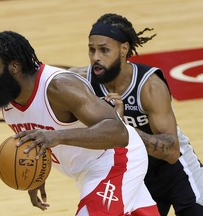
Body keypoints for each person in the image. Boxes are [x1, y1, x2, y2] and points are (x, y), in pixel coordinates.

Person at [0, 31, 160, 215]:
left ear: (14, 67)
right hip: (84, 170)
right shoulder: (8, 93)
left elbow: (118, 132)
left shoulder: (59, 86)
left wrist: (55, 137)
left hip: (117, 159)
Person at [69, 13, 203, 216]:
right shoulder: (80, 82)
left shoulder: (149, 86)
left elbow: (172, 151)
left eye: (104, 50)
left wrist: (122, 127)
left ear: (123, 49)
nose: (96, 57)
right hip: (135, 174)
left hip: (176, 171)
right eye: (92, 49)